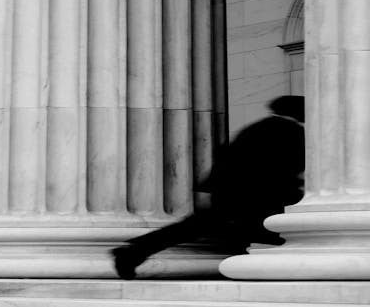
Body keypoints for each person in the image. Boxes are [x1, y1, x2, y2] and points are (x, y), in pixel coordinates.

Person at [111, 95, 305, 279]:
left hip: (234, 192)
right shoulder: (290, 130)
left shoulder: (257, 127)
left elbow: (226, 156)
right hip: (257, 195)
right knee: (273, 231)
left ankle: (134, 252)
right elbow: (296, 164)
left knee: (196, 227)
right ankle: (133, 252)